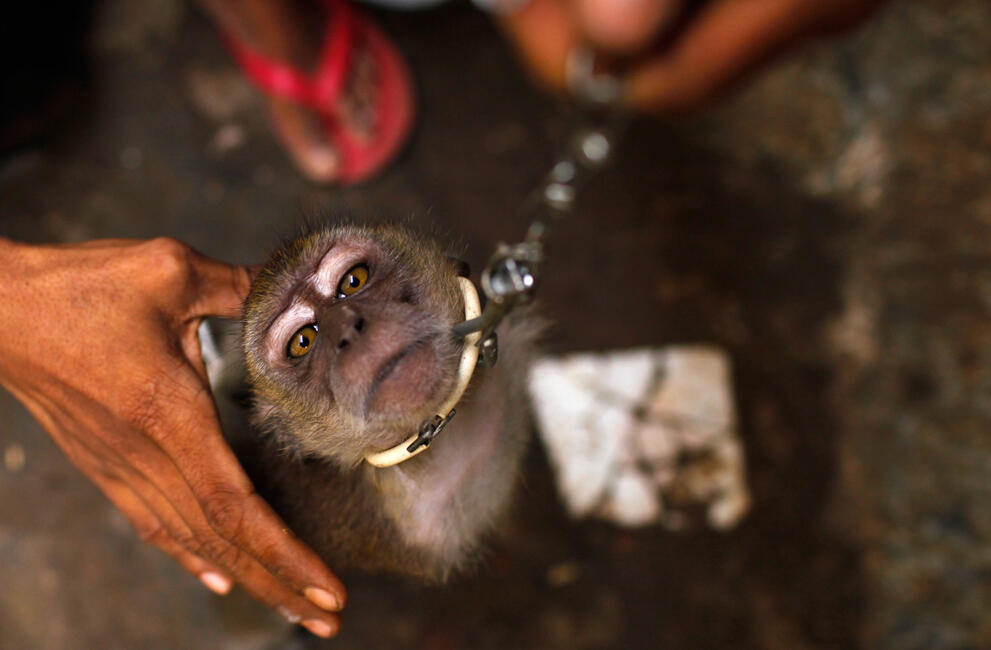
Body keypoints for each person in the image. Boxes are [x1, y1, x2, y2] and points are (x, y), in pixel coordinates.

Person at [0, 0, 886, 639]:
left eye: (358, 281)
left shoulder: (476, 316)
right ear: (295, 430)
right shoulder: (396, 518)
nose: (348, 329)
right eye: (305, 345)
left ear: (441, 266)